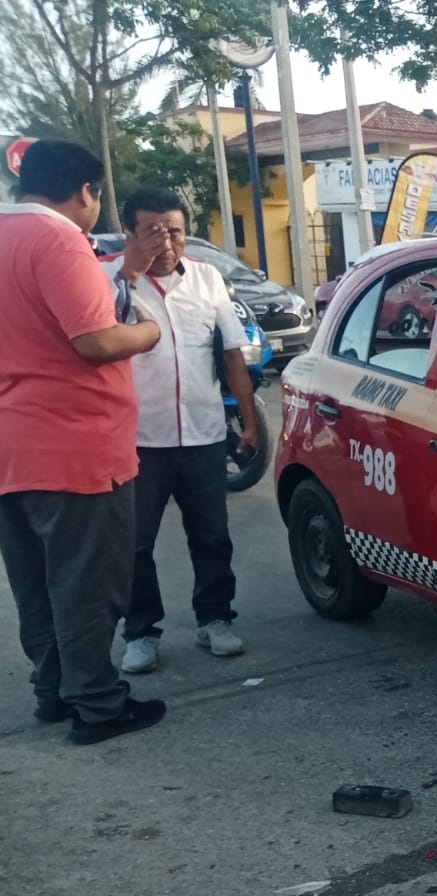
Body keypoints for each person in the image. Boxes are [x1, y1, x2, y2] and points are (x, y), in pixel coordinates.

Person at [0, 140, 168, 743]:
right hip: (73, 447)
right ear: (87, 192)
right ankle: (98, 705)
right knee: (86, 584)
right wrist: (146, 331)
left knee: (36, 583)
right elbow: (95, 342)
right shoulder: (59, 238)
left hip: (12, 448)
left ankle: (54, 693)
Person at [107, 188, 260, 674]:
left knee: (212, 535)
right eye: (151, 230)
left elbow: (232, 353)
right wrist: (128, 276)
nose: (165, 241)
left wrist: (251, 420)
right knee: (134, 543)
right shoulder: (102, 278)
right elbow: (97, 337)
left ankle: (215, 619)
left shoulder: (207, 279)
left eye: (173, 230)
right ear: (129, 233)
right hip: (137, 440)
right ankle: (140, 631)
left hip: (203, 433)